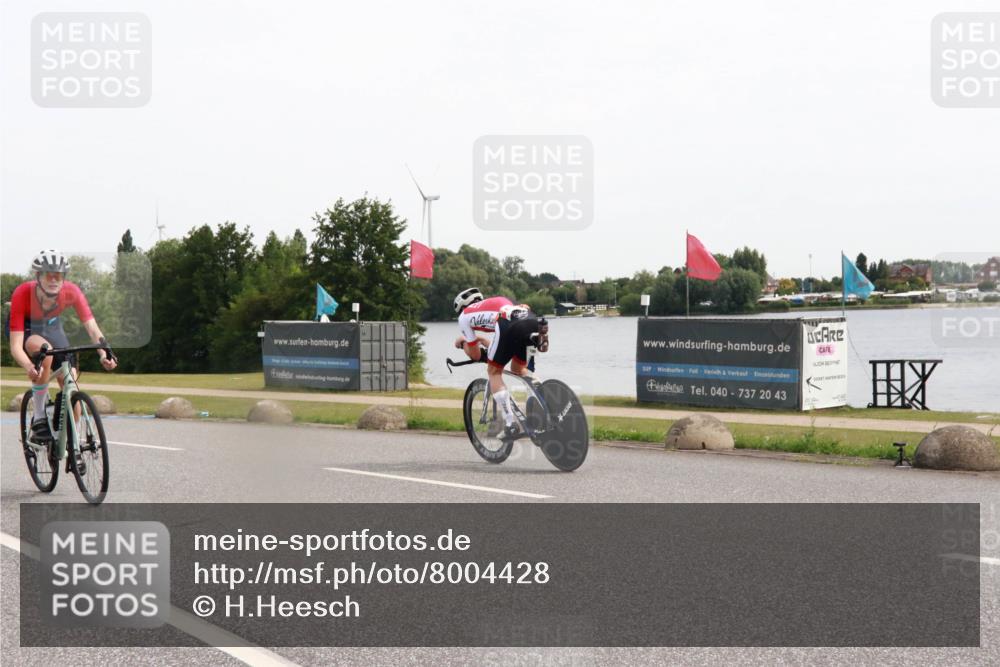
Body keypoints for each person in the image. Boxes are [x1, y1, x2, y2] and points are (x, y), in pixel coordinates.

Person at [8, 249, 117, 445]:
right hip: (28, 327)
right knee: (46, 352)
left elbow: (92, 328)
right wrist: (29, 367)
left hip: (52, 326)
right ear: (38, 276)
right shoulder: (22, 293)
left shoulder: (72, 291)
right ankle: (40, 417)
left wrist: (104, 353)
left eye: (58, 275)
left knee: (70, 381)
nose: (53, 280)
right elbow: (16, 346)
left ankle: (70, 439)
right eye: (48, 275)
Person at [486, 304, 549, 441]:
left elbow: (484, 346)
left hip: (509, 326)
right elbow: (526, 307)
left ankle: (510, 424)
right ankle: (538, 389)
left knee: (494, 371)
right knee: (518, 369)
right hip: (534, 323)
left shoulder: (467, 316)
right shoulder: (507, 303)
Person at [453, 287, 513, 362]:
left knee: (493, 371)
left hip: (510, 329)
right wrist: (481, 340)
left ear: (462, 308)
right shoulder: (493, 303)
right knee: (520, 365)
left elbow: (476, 356)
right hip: (525, 322)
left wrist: (463, 342)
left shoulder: (464, 315)